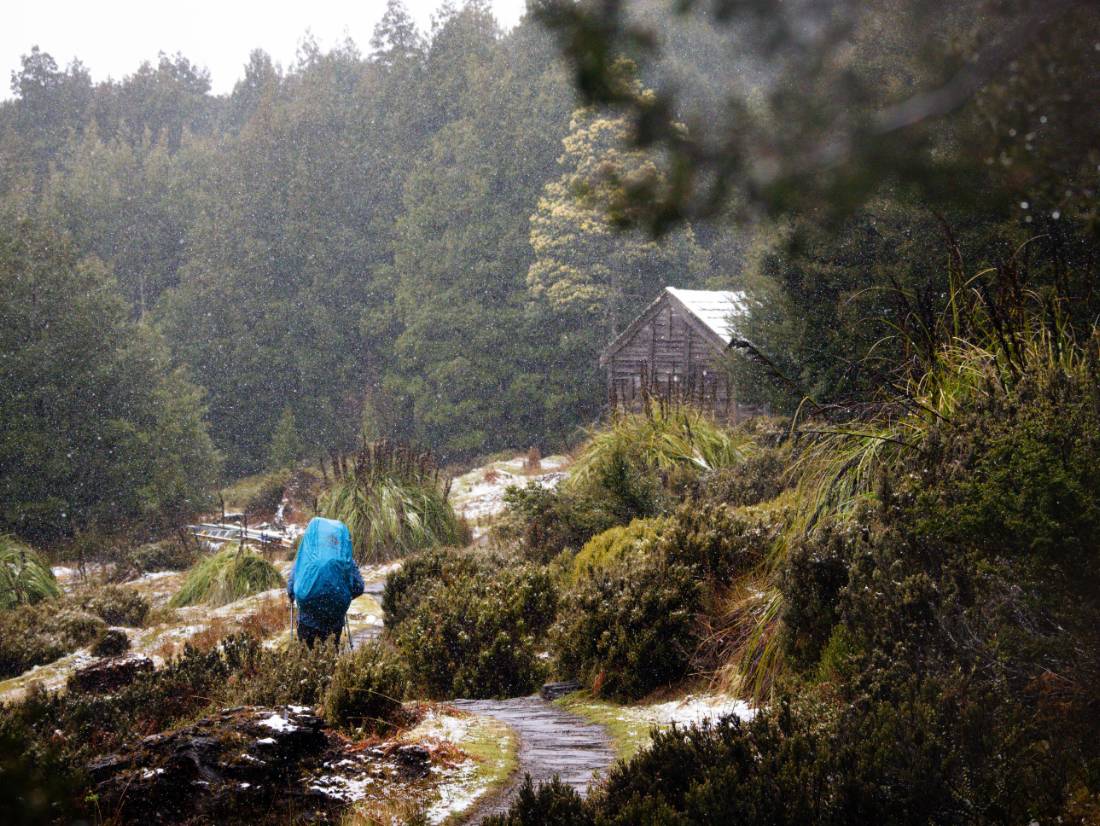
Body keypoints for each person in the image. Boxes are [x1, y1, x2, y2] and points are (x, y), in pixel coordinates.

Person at [286, 517, 364, 647]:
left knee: (306, 658)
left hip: (307, 622)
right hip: (334, 622)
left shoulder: (306, 558)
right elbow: (359, 587)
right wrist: (340, 596)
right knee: (331, 657)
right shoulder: (344, 560)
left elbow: (291, 589)